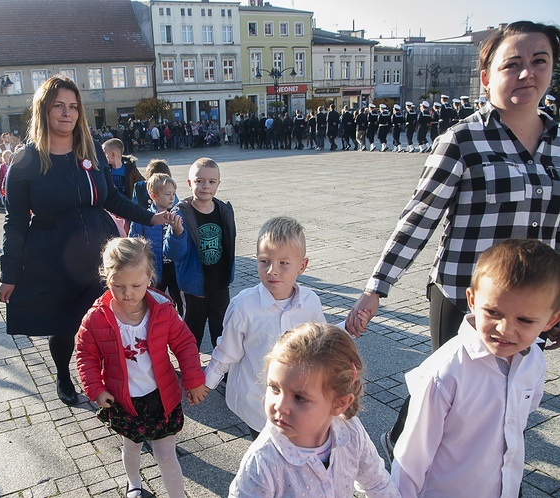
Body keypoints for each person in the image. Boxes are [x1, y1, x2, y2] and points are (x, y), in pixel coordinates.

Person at [345, 19, 560, 459]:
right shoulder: (463, 140)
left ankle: (488, 464)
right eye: (512, 64)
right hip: (466, 295)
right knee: (447, 384)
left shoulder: (559, 143)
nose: (526, 73)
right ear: (486, 78)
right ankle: (404, 445)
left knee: (506, 387)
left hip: (533, 300)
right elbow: (418, 219)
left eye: (539, 62)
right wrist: (375, 290)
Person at [0, 75, 171, 406]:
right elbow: (15, 222)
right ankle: (64, 375)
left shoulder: (91, 152)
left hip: (100, 252)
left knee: (110, 320)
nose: (67, 113)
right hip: (53, 255)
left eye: (73, 107)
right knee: (63, 324)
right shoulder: (26, 161)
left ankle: (119, 387)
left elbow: (111, 199)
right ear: (44, 110)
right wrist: (9, 274)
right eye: (59, 106)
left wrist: (150, 217)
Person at [391, 239, 560, 497]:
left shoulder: (533, 360)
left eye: (525, 320)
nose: (505, 329)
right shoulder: (446, 372)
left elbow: (521, 417)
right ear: (472, 299)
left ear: (551, 320)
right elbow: (410, 458)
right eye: (493, 312)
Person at [75, 237, 206, 498]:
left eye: (136, 285)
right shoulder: (96, 318)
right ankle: (133, 483)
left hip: (161, 397)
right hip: (124, 399)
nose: (128, 294)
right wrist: (96, 390)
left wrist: (193, 379)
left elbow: (184, 342)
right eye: (118, 285)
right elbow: (85, 355)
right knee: (131, 446)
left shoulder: (163, 309)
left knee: (166, 454)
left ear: (150, 277)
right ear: (106, 278)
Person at [229, 323, 400, 498]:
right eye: (274, 388)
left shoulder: (351, 432)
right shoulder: (263, 461)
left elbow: (377, 483)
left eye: (299, 398)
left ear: (340, 403)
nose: (280, 406)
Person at [203, 217, 327, 438]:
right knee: (265, 449)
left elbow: (321, 341)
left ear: (302, 266)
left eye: (283, 263)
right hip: (256, 402)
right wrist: (207, 382)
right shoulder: (244, 306)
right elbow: (228, 349)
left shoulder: (310, 302)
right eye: (264, 261)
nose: (272, 270)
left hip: (296, 400)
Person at [165, 157, 235, 350]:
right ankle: (191, 373)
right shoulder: (181, 214)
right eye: (199, 181)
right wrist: (177, 234)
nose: (206, 186)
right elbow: (172, 254)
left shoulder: (224, 210)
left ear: (218, 184)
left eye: (211, 182)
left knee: (222, 333)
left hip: (220, 286)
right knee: (191, 335)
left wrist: (230, 274)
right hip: (194, 288)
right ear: (189, 183)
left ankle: (223, 372)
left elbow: (229, 243)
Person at [129, 173, 183, 315]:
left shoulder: (178, 216)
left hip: (174, 267)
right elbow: (134, 245)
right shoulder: (143, 218)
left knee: (180, 301)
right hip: (154, 268)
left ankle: (179, 324)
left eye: (174, 193)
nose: (172, 197)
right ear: (154, 196)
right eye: (167, 194)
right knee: (154, 300)